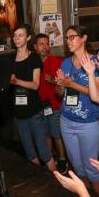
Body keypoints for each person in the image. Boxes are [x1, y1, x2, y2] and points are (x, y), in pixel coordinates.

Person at [55, 25, 99, 195]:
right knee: (78, 167)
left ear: (83, 38)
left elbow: (97, 93)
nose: (68, 41)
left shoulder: (95, 62)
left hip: (88, 123)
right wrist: (60, 84)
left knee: (91, 169)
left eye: (72, 37)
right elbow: (60, 94)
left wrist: (72, 84)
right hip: (67, 121)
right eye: (66, 38)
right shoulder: (66, 62)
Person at [10, 25, 56, 172]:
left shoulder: (34, 58)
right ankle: (39, 183)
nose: (16, 38)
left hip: (35, 111)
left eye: (20, 35)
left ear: (28, 38)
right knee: (30, 153)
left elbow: (35, 85)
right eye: (15, 35)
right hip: (18, 112)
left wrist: (17, 81)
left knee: (44, 152)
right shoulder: (9, 58)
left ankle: (58, 182)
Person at [34, 33, 67, 173]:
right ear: (35, 47)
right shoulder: (33, 63)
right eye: (41, 44)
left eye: (47, 44)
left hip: (54, 105)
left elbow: (65, 82)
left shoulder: (56, 61)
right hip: (39, 106)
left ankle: (62, 160)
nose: (45, 47)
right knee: (45, 134)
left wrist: (53, 80)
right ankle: (50, 160)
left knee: (56, 134)